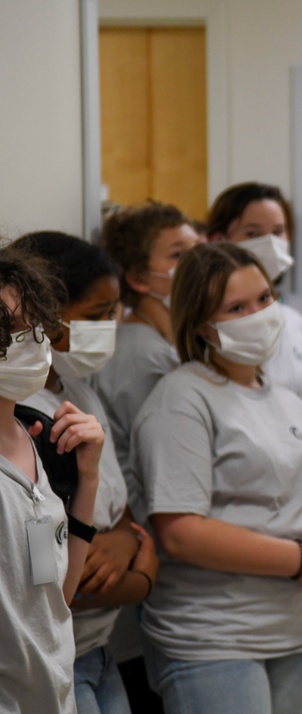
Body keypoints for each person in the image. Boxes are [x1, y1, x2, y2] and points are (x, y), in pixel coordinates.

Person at [130, 242, 302, 714]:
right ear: (201, 324)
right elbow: (181, 533)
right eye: (237, 307)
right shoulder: (183, 398)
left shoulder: (288, 403)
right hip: (214, 638)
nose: (258, 314)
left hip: (296, 630)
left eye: (264, 299)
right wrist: (301, 561)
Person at [17, 232, 159, 714]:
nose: (109, 326)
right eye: (95, 314)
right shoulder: (26, 420)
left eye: (113, 312)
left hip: (101, 650)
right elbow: (52, 585)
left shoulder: (77, 388)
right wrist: (143, 574)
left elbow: (110, 508)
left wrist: (125, 539)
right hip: (55, 658)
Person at [93, 200, 199, 713]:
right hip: (144, 552)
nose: (196, 264)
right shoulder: (140, 354)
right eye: (178, 254)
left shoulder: (171, 343)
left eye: (198, 249)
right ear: (137, 276)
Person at [0, 243, 104, 713]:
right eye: (12, 332)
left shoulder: (34, 438)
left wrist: (88, 479)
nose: (34, 342)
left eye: (35, 326)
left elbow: (55, 596)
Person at [206, 182, 302, 425]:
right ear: (219, 239)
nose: (269, 243)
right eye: (253, 234)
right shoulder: (210, 315)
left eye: (278, 232)